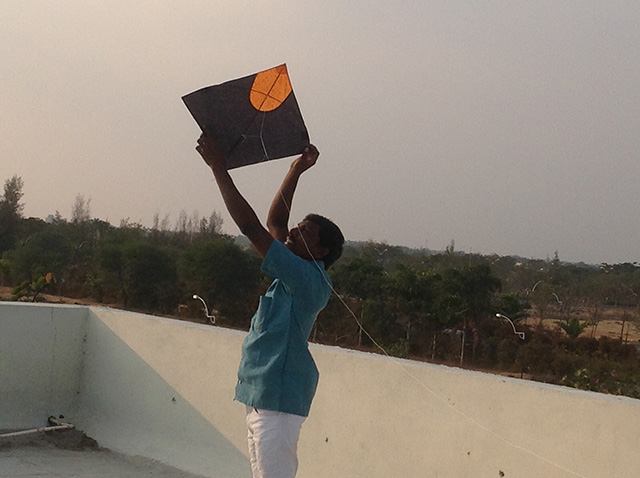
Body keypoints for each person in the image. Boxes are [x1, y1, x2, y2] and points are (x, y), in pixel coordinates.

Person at [195, 133, 344, 478]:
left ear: (321, 251)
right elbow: (276, 222)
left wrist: (219, 168)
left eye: (305, 231)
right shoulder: (294, 268)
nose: (293, 231)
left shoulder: (306, 278)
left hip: (278, 404)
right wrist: (296, 169)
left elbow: (252, 227)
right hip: (263, 399)